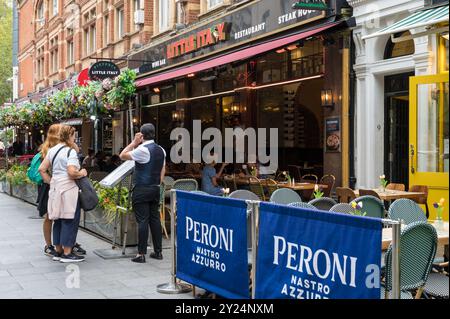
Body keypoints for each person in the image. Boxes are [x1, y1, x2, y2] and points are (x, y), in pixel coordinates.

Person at [38, 125, 87, 263]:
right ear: (69, 137)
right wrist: (82, 172)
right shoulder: (69, 152)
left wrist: (52, 181)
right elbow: (72, 172)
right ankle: (67, 253)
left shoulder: (52, 150)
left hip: (55, 188)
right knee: (70, 219)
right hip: (68, 188)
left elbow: (42, 169)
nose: (74, 139)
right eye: (73, 136)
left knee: (58, 219)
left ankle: (58, 251)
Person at [120, 123, 166, 263]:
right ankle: (158, 252)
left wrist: (134, 142)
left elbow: (122, 155)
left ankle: (141, 254)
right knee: (155, 219)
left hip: (141, 188)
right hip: (155, 188)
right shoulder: (161, 150)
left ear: (142, 135)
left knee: (143, 220)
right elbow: (163, 169)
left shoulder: (142, 150)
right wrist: (157, 183)